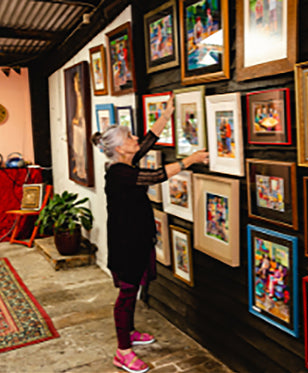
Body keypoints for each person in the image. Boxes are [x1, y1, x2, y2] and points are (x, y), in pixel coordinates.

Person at [91, 97, 208, 373]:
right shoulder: (119, 173)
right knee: (127, 294)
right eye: (129, 136)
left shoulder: (127, 161)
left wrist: (166, 115)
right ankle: (122, 352)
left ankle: (129, 333)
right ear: (120, 148)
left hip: (137, 239)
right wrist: (189, 160)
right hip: (126, 244)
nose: (135, 138)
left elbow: (148, 141)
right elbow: (155, 176)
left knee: (134, 289)